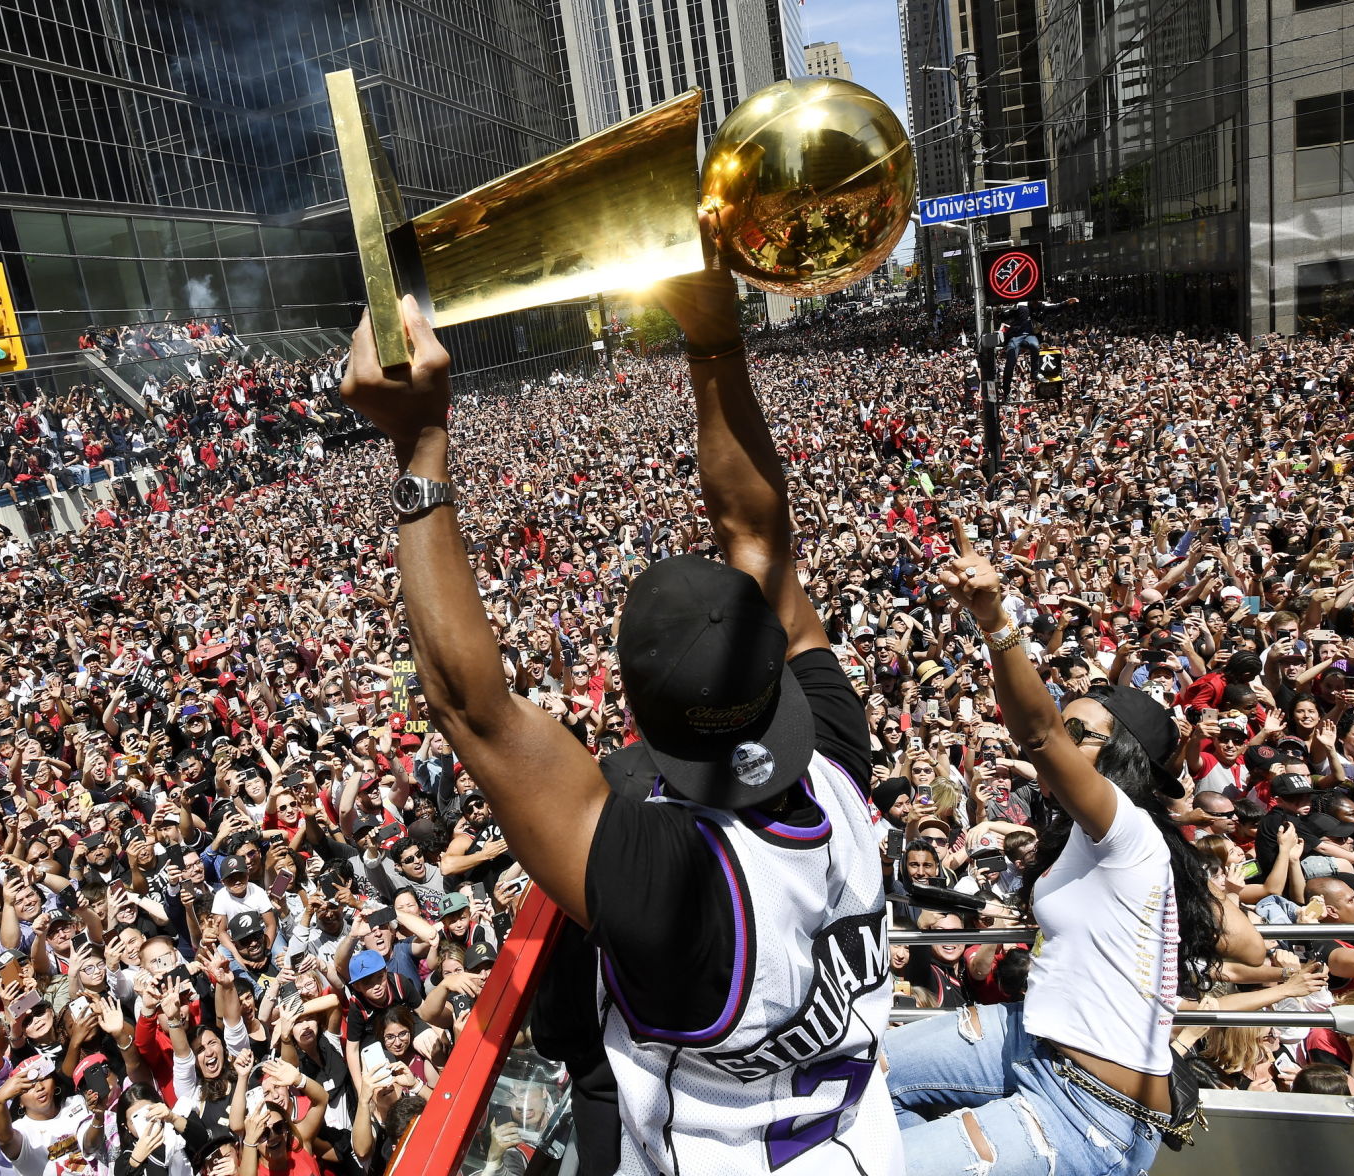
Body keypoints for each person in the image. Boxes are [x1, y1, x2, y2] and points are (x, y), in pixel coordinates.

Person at [339, 279, 904, 1174]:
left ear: (634, 719)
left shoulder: (669, 883)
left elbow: (468, 703)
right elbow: (759, 537)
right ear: (772, 671)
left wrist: (422, 442)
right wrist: (717, 345)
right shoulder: (836, 752)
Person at [883, 522, 1220, 1174]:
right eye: (1066, 730)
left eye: (1082, 737)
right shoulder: (1087, 836)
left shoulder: (1131, 834)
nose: (1063, 745)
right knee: (864, 1076)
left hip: (1089, 1115)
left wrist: (992, 616)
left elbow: (1037, 736)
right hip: (1031, 1040)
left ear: (1122, 763)